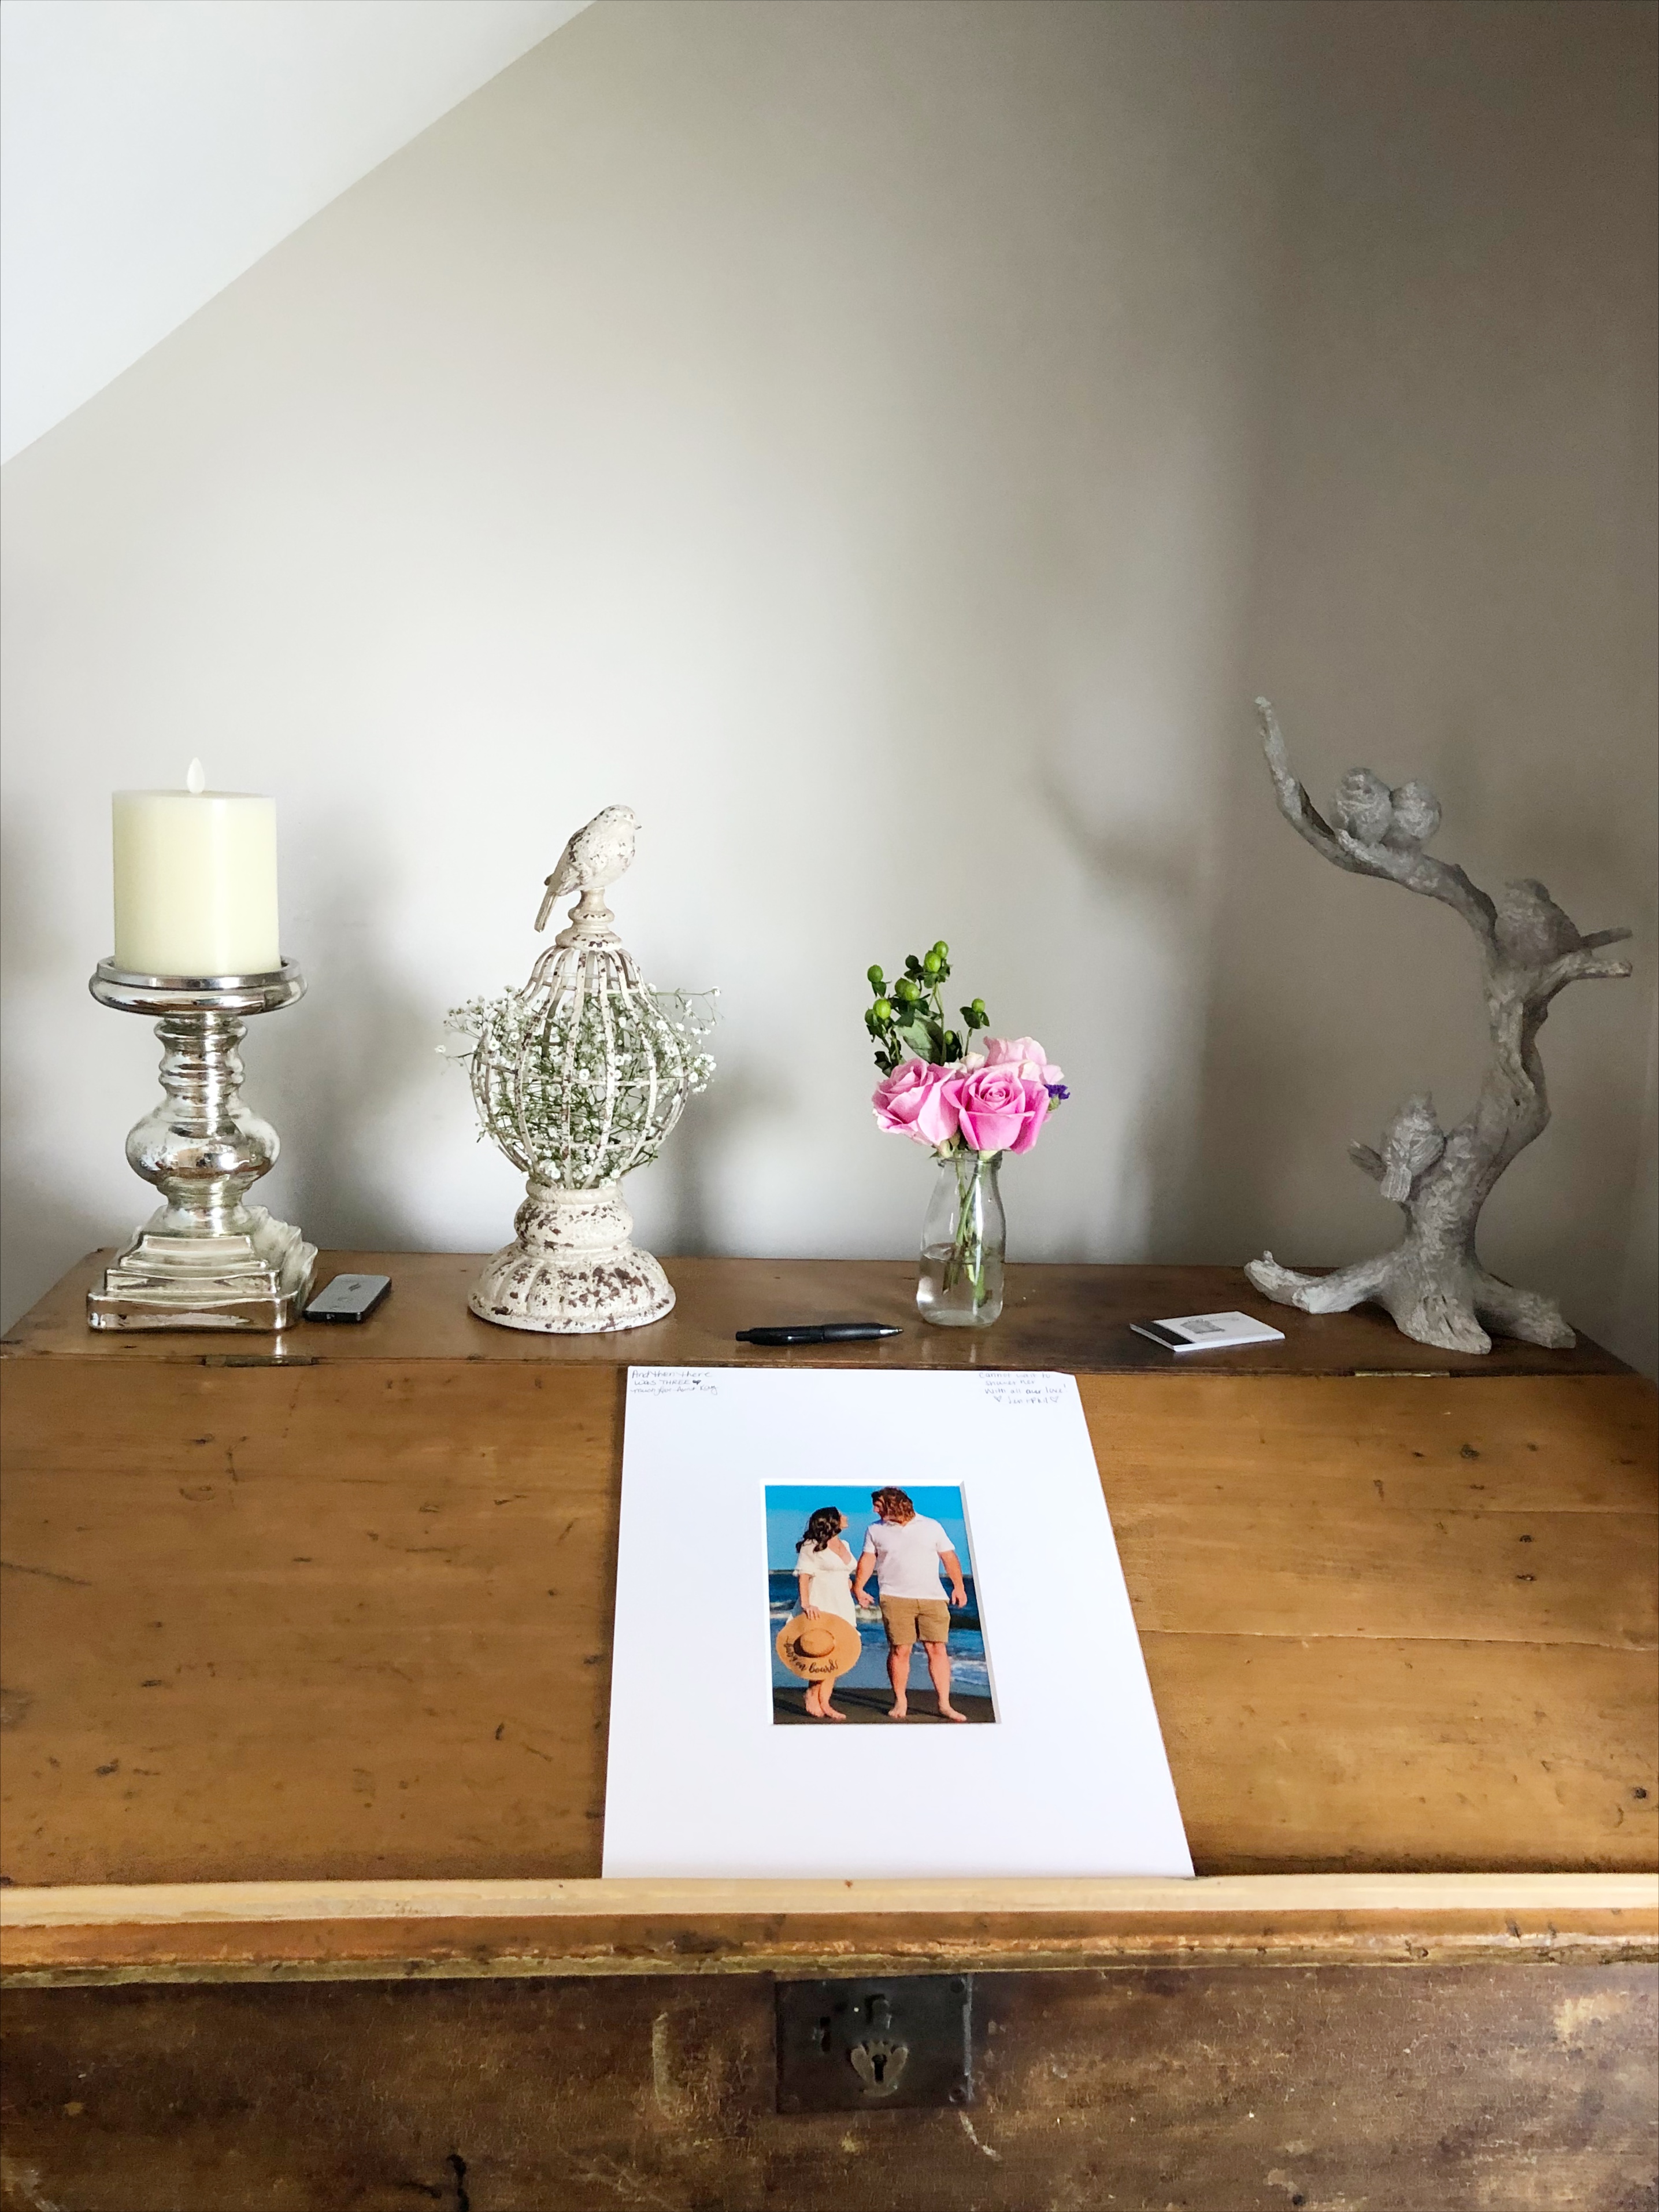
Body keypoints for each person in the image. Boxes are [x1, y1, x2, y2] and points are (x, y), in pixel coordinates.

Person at [851, 1486, 969, 1721]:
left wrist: (959, 1586)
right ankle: (900, 1700)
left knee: (937, 1649)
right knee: (900, 1649)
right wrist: (859, 1587)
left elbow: (948, 1556)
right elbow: (868, 1559)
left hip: (932, 1597)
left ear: (894, 1504)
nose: (874, 1510)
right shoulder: (875, 1529)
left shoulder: (932, 1526)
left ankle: (945, 1704)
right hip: (894, 1597)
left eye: (878, 1505)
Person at [793, 1506, 858, 1721]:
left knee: (837, 1654)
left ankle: (825, 1702)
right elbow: (804, 1576)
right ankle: (813, 1694)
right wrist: (806, 1604)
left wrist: (850, 1585)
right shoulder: (811, 1545)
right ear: (831, 1521)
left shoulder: (845, 1544)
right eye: (841, 1515)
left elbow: (842, 1572)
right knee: (821, 1651)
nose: (846, 1517)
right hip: (821, 1603)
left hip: (843, 1604)